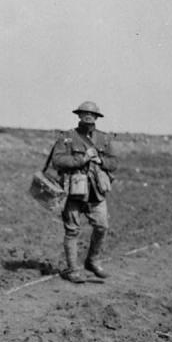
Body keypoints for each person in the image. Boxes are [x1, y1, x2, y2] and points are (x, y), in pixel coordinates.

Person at [50, 101, 117, 283]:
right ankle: (73, 270)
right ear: (78, 115)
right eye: (84, 113)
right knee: (72, 231)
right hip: (73, 191)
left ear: (97, 117)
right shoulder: (67, 137)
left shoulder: (104, 139)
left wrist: (101, 161)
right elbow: (57, 160)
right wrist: (82, 159)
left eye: (92, 114)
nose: (88, 116)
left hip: (96, 192)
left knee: (102, 226)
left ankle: (93, 261)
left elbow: (114, 163)